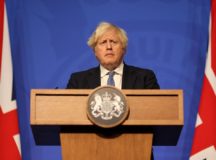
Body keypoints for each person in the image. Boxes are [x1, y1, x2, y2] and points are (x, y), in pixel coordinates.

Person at [67, 22, 160, 89]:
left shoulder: (145, 78)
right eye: (103, 42)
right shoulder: (78, 81)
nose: (109, 47)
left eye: (113, 42)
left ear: (124, 48)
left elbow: (157, 110)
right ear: (95, 51)